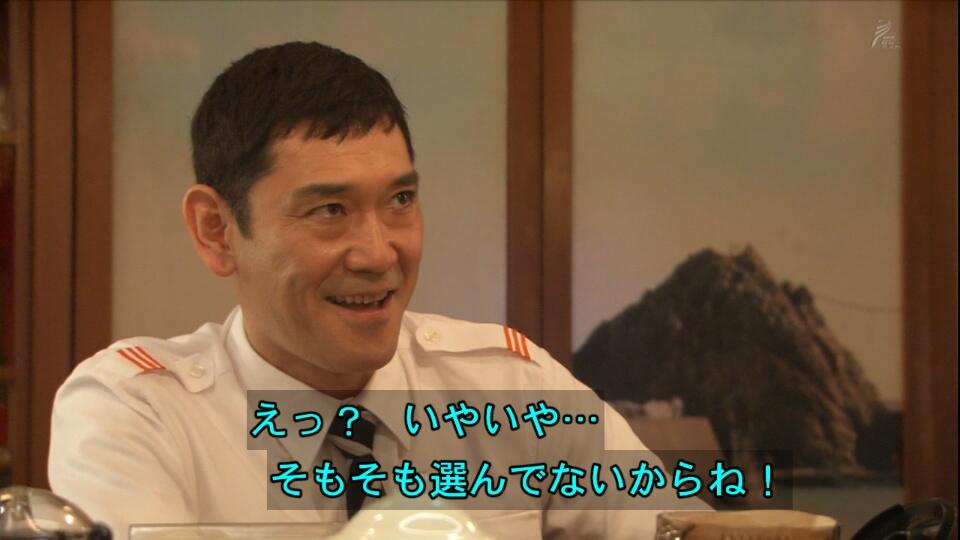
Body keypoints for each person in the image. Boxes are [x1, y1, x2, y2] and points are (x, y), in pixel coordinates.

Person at [48, 42, 703, 540]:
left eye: (400, 201)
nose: (379, 253)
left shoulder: (514, 391)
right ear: (217, 230)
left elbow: (685, 528)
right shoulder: (138, 413)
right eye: (329, 210)